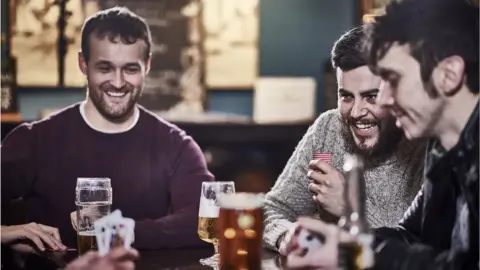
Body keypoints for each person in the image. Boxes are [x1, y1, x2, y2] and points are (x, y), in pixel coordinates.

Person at [284, 0, 479, 269]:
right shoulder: (444, 147)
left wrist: (350, 254)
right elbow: (411, 239)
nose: (385, 100)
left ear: (449, 74)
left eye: (394, 79)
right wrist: (342, 244)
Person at [1, 6, 214, 251]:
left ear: (146, 65)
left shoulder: (176, 146)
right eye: (105, 68)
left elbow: (203, 221)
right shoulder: (34, 140)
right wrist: (5, 232)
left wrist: (115, 231)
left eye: (130, 69)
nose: (118, 82)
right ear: (83, 63)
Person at [263, 26, 426, 254]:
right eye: (346, 96)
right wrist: (286, 237)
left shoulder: (427, 142)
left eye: (371, 96)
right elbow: (272, 208)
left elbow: (423, 246)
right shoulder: (329, 128)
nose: (357, 111)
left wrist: (350, 209)